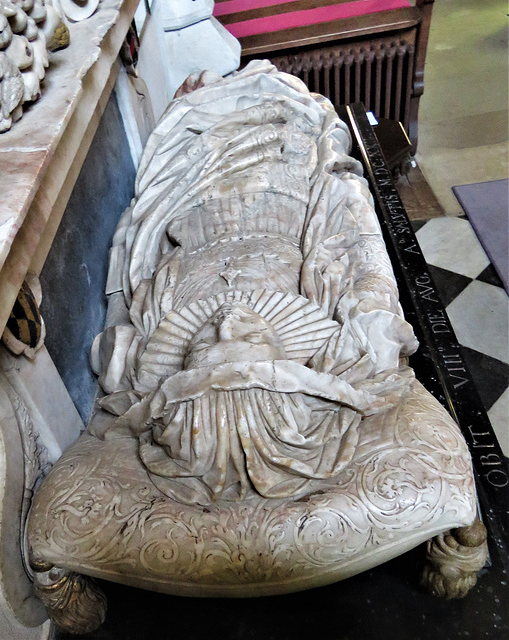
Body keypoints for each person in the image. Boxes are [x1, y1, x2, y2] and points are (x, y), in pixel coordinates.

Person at [91, 60, 418, 506]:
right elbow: (350, 215)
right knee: (282, 94)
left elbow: (133, 248)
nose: (226, 323)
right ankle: (244, 88)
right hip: (285, 172)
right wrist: (375, 299)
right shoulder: (340, 337)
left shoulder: (144, 349)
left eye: (206, 346)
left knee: (194, 104)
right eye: (249, 336)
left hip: (192, 178)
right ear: (287, 359)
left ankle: (214, 93)